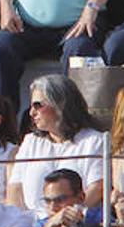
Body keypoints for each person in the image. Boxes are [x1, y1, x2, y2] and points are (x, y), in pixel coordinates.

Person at [6, 75, 105, 214]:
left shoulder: (94, 141)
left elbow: (97, 188)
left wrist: (69, 217)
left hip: (75, 224)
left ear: (60, 105)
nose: (31, 113)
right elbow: (15, 190)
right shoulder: (30, 142)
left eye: (38, 105)